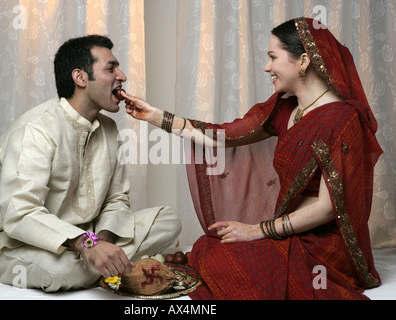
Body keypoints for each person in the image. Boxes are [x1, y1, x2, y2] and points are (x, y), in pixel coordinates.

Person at [121, 17, 383, 299]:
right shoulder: (287, 110)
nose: (266, 67)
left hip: (324, 248)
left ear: (303, 60)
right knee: (208, 246)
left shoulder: (342, 119)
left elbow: (327, 208)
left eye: (273, 57)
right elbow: (221, 136)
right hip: (290, 233)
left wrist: (259, 230)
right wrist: (155, 116)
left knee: (221, 260)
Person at [0, 35, 181, 292]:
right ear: (80, 78)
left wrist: (100, 242)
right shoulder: (36, 129)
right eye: (111, 68)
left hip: (82, 239)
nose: (122, 76)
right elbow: (21, 214)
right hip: (14, 244)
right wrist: (89, 245)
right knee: (62, 270)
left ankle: (102, 262)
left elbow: (116, 200)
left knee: (168, 220)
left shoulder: (109, 129)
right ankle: (100, 264)